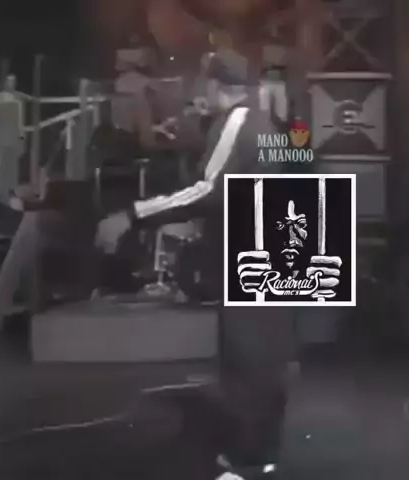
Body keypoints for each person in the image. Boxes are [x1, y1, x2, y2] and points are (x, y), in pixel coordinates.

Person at [95, 51, 293, 479]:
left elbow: (207, 189)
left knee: (245, 357)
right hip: (279, 242)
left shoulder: (236, 122)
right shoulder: (269, 124)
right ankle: (262, 452)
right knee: (266, 355)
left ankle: (247, 462)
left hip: (249, 250)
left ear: (217, 85)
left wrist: (133, 213)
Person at [0, 75, 26, 207]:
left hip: (12, 137)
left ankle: (9, 192)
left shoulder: (17, 99)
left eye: (14, 81)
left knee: (11, 166)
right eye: (10, 81)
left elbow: (20, 121)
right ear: (4, 83)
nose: (12, 84)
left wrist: (21, 138)